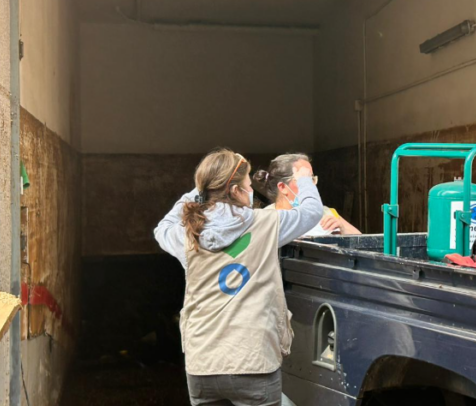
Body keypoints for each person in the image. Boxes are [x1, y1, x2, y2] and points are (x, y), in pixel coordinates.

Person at [154, 148, 321, 406]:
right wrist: (303, 178)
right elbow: (311, 212)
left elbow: (163, 228)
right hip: (253, 361)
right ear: (235, 191)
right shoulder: (265, 224)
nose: (251, 189)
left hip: (202, 363)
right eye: (246, 184)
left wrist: (198, 192)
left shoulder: (188, 233)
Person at [253, 153, 361, 236]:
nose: (311, 186)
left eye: (312, 179)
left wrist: (343, 229)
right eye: (303, 180)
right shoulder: (265, 219)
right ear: (283, 187)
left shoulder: (324, 212)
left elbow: (364, 241)